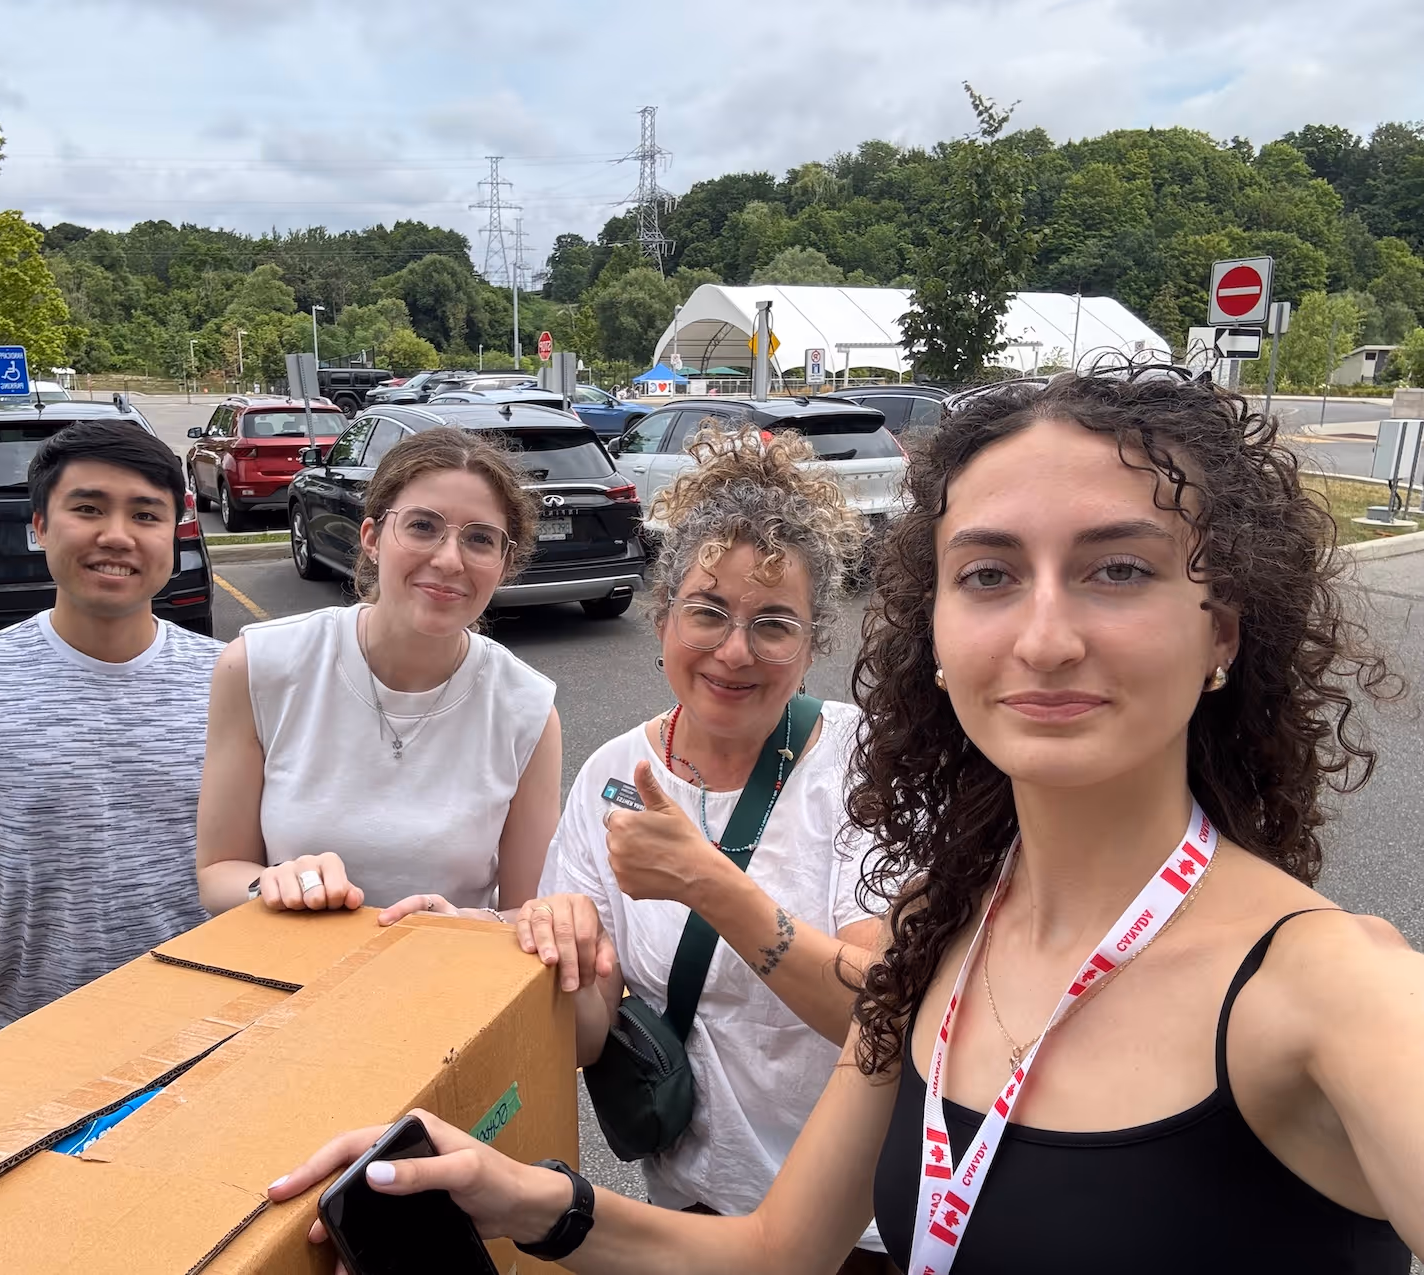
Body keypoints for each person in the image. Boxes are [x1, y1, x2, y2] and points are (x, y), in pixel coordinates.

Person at [267, 369, 1424, 1272]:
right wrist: (515, 1194)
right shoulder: (945, 929)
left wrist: (705, 882)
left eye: (1116, 569)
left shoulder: (1335, 993)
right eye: (987, 575)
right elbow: (776, 1255)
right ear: (934, 633)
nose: (1043, 636)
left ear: (1222, 626)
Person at [514, 426, 880, 1231]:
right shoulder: (611, 773)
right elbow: (584, 1039)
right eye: (707, 612)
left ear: (813, 643)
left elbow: (879, 1015)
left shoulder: (863, 762)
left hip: (854, 1224)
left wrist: (706, 882)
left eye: (774, 624)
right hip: (693, 1206)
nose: (734, 651)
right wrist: (558, 950)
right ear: (663, 619)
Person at [0, 421, 223, 1050]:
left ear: (176, 533)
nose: (116, 535)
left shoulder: (232, 680)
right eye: (87, 509)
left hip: (225, 1032)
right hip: (42, 1044)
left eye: (146, 515)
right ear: (39, 526)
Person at [196, 426, 561, 925]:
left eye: (480, 539)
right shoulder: (259, 666)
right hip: (287, 966)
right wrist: (272, 884)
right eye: (422, 526)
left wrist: (463, 925)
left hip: (443, 971)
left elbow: (529, 913)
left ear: (504, 563)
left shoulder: (527, 708)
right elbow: (218, 871)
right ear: (371, 538)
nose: (449, 559)